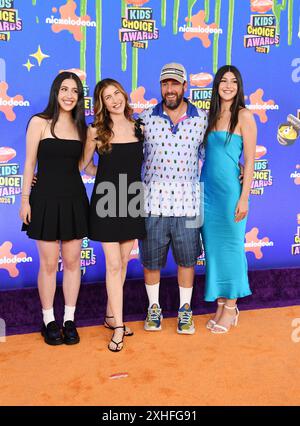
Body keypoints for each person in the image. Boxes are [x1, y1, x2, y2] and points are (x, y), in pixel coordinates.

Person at [20, 72, 90, 346]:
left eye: (74, 90)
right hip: (45, 200)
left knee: (73, 262)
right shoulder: (38, 122)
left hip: (74, 199)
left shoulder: (82, 128)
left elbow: (82, 166)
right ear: (55, 92)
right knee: (49, 264)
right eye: (64, 89)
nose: (69, 95)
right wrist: (25, 199)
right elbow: (29, 164)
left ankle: (69, 320)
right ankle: (48, 320)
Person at [138, 63, 207, 334]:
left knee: (187, 260)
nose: (170, 89)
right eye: (165, 84)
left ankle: (184, 311)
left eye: (175, 84)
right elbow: (128, 155)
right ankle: (154, 308)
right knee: (151, 261)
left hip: (188, 205)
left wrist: (236, 167)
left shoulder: (201, 118)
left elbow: (210, 154)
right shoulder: (145, 119)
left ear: (184, 86)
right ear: (161, 86)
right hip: (152, 204)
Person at [81, 78, 146, 352]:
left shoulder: (139, 127)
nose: (115, 100)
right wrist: (105, 177)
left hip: (132, 200)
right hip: (107, 201)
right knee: (114, 265)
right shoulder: (95, 130)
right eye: (108, 97)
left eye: (117, 93)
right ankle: (119, 327)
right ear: (102, 104)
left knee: (122, 262)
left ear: (124, 95)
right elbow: (84, 166)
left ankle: (110, 316)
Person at [200, 65, 257, 333]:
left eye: (234, 81)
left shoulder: (245, 116)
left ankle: (232, 306)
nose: (228, 85)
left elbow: (250, 161)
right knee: (213, 250)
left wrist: (244, 198)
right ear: (216, 85)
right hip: (207, 193)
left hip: (230, 195)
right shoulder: (210, 116)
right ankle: (221, 303)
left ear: (239, 86)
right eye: (223, 80)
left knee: (232, 248)